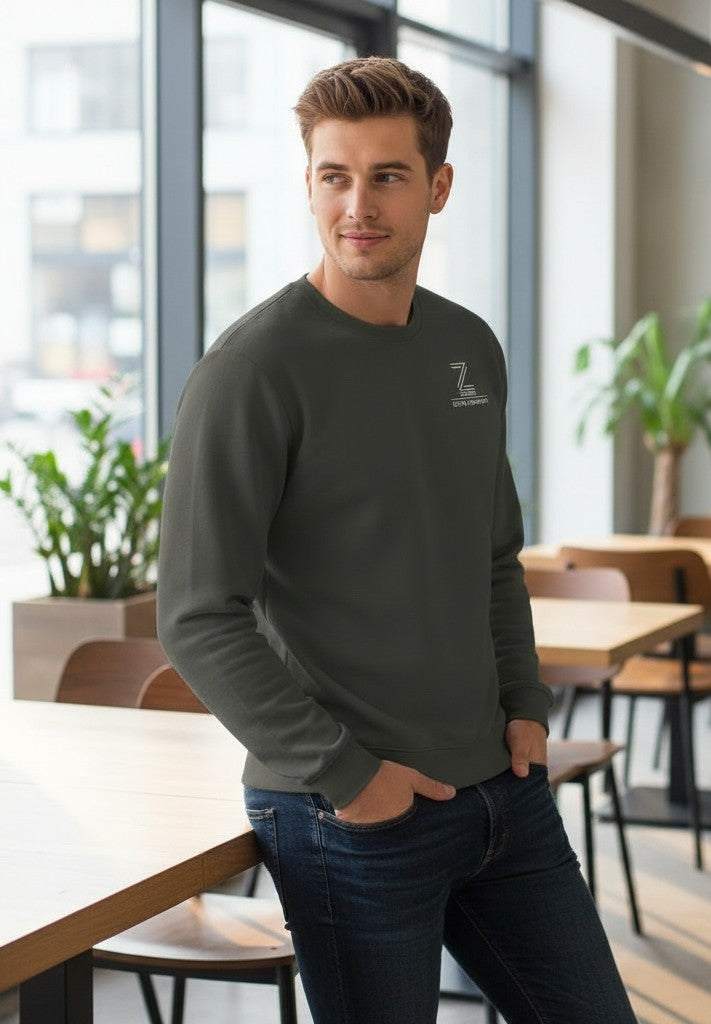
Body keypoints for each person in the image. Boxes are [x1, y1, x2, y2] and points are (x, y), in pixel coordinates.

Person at [157, 57, 637, 1024]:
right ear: (308, 184)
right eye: (334, 175)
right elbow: (198, 616)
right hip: (353, 817)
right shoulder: (251, 371)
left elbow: (493, 552)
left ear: (440, 187)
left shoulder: (470, 346)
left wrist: (525, 709)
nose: (357, 205)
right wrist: (351, 780)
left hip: (502, 793)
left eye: (388, 175)